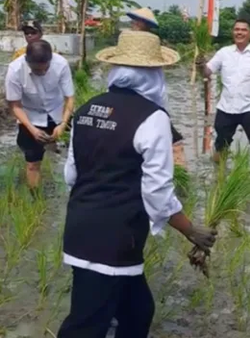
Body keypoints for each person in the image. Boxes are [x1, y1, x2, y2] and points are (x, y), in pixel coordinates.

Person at [57, 30, 217, 338]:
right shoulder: (153, 117)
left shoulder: (87, 109)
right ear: (154, 74)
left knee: (137, 312)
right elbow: (157, 193)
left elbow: (71, 175)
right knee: (86, 326)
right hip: (116, 239)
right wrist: (190, 229)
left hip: (79, 229)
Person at [199, 18, 250, 166]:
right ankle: (218, 178)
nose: (239, 32)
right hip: (226, 108)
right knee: (221, 145)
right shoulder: (223, 53)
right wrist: (200, 66)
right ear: (233, 32)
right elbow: (207, 72)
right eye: (237, 29)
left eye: (243, 30)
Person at [5, 40, 75, 192]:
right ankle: (36, 197)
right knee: (32, 162)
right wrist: (32, 129)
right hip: (30, 116)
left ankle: (54, 161)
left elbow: (69, 98)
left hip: (57, 112)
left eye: (45, 69)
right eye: (37, 71)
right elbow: (15, 105)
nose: (42, 73)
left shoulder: (61, 64)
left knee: (68, 153)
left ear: (50, 60)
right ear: (27, 61)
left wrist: (63, 124)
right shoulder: (15, 70)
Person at [126, 7, 187, 167]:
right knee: (174, 145)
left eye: (135, 21)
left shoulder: (145, 47)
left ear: (141, 23)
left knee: (173, 143)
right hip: (148, 107)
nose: (133, 24)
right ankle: (181, 184)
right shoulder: (146, 49)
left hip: (148, 106)